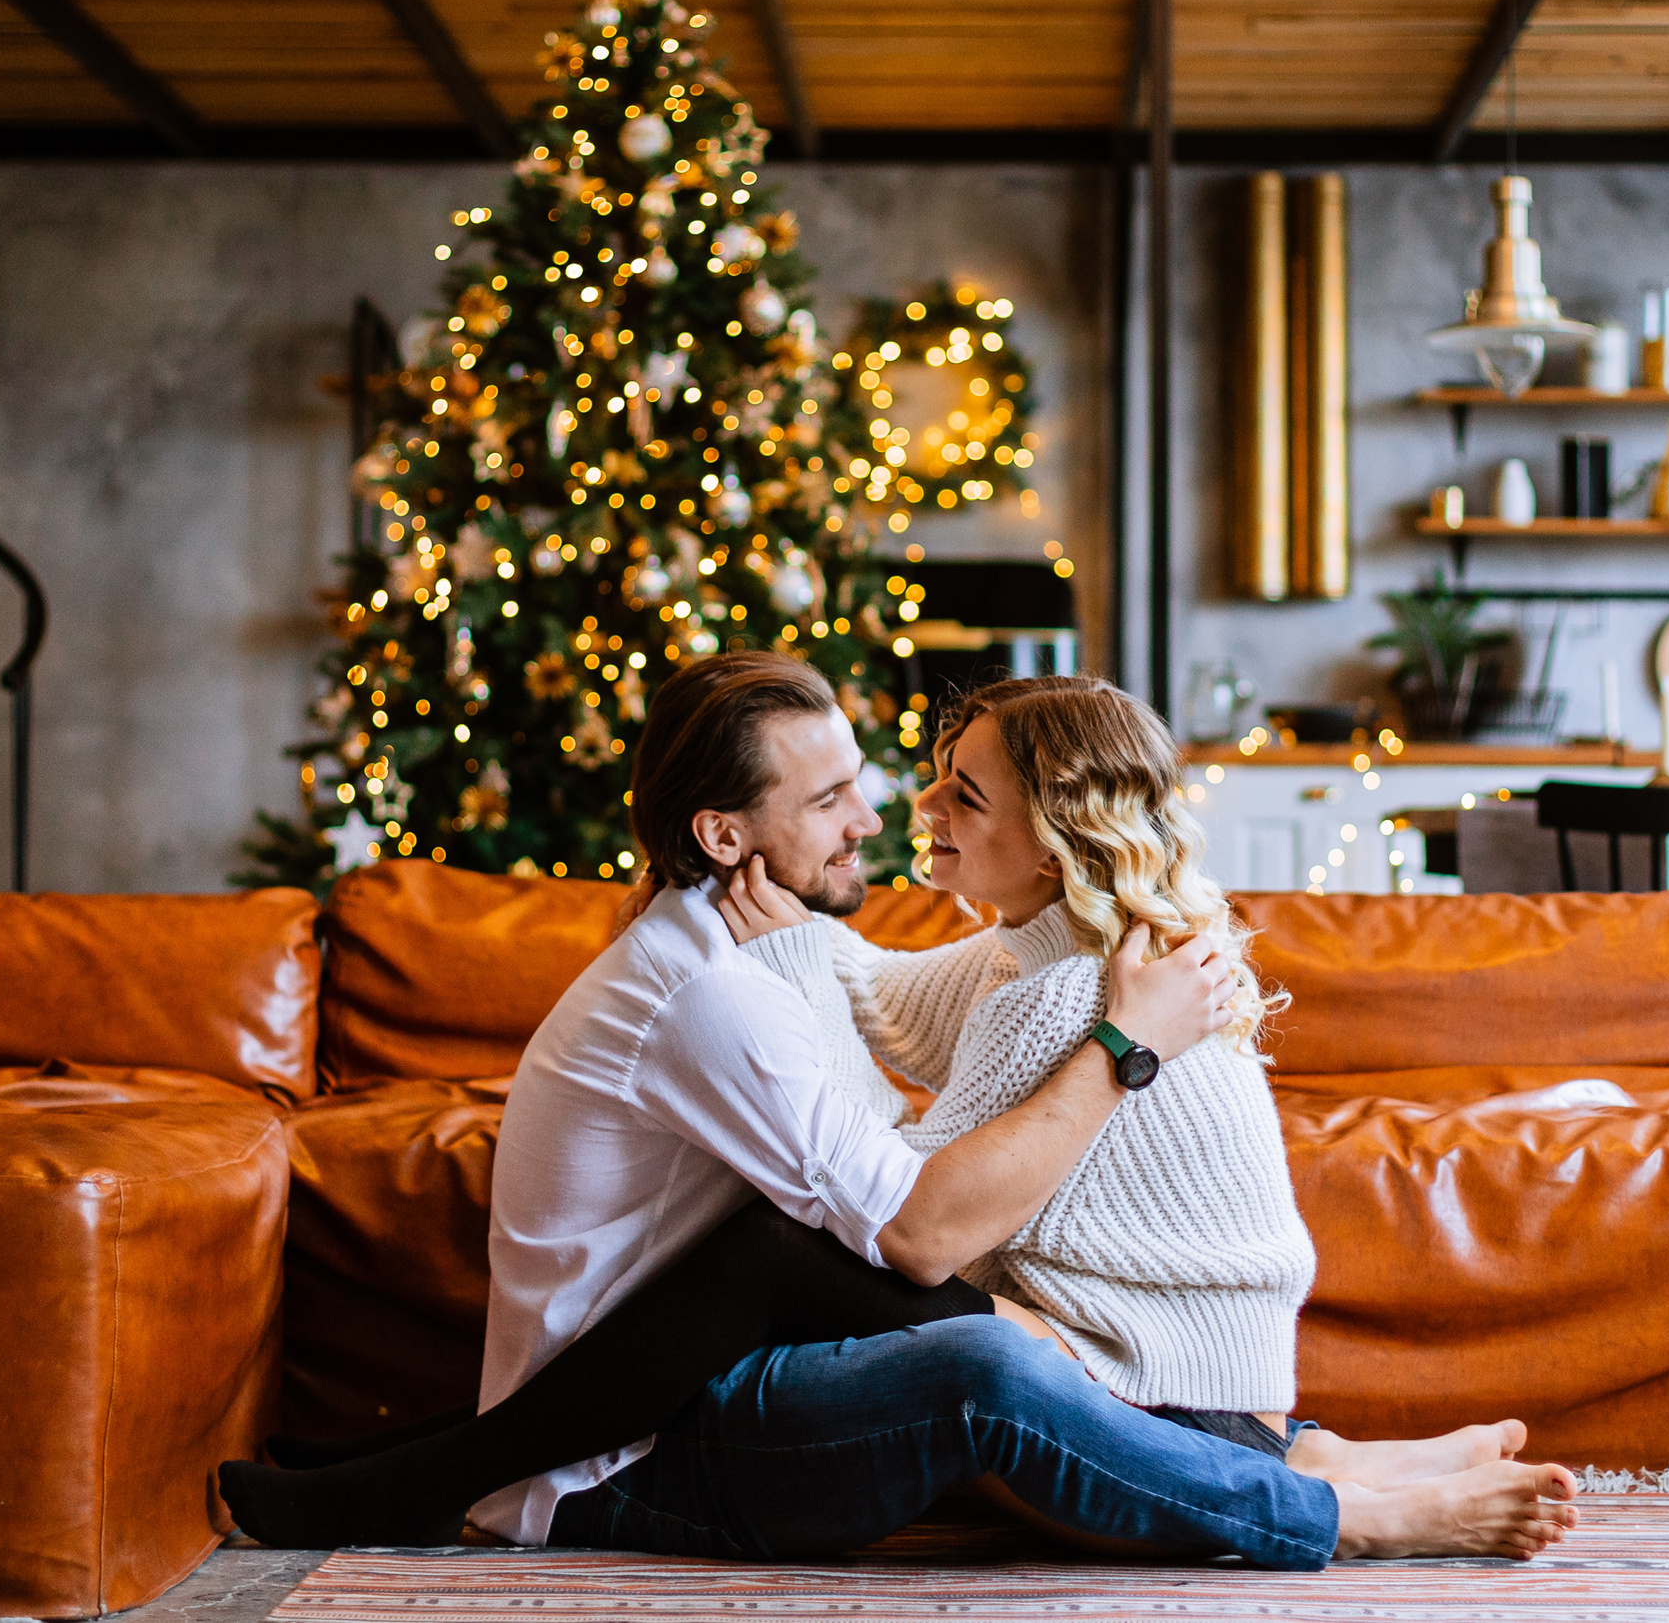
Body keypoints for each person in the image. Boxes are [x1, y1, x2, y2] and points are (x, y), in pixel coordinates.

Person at [219, 655, 1575, 1564]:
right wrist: (828, 952)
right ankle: (1329, 1489)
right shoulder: (862, 980)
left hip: (1005, 1364)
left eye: (919, 786)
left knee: (823, 1265)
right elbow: (902, 1124)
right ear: (727, 837)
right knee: (897, 1306)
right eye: (833, 798)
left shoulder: (1003, 980)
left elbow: (901, 1163)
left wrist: (1117, 1046)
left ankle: (1318, 1475)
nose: (884, 815)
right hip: (667, 1438)